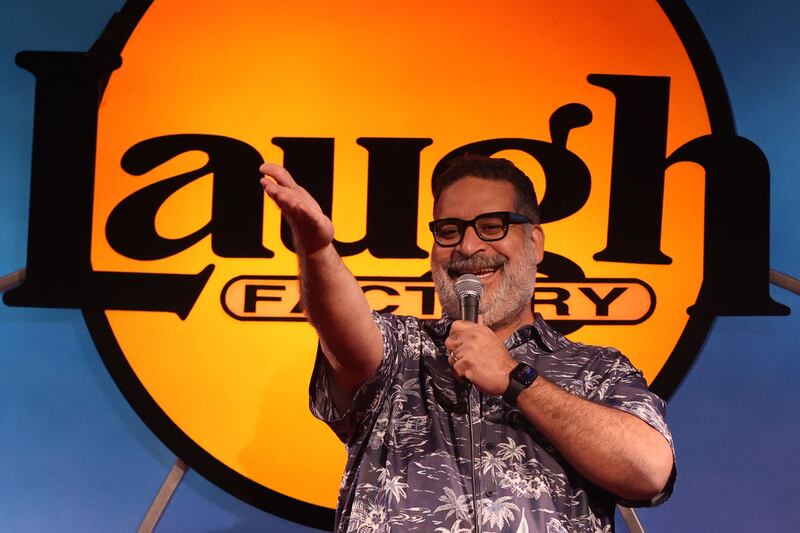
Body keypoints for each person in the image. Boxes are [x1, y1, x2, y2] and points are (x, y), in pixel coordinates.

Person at [260, 155, 675, 532]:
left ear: (534, 242)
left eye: (492, 226)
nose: (468, 246)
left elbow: (649, 471)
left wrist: (516, 378)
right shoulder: (404, 351)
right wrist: (316, 251)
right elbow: (343, 331)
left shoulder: (595, 369)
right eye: (449, 230)